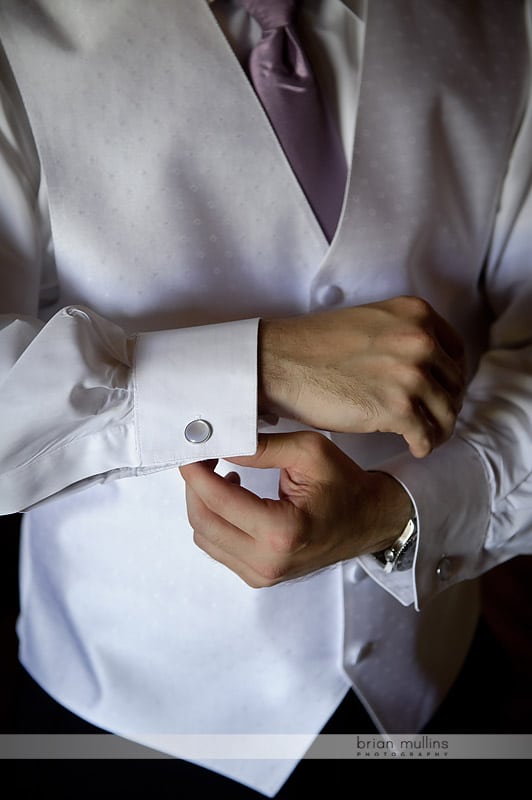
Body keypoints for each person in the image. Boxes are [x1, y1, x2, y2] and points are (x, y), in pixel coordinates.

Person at [0, 0, 531, 795]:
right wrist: (260, 364)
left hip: (439, 699)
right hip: (119, 722)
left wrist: (406, 513)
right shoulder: (15, 33)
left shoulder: (503, 20)